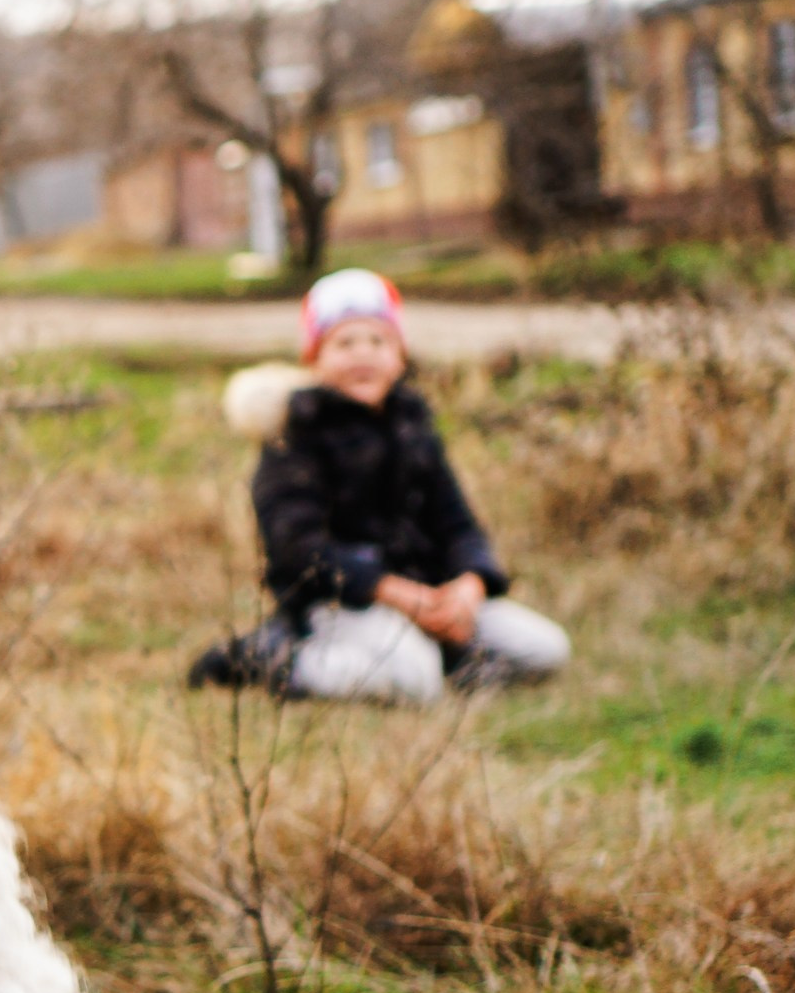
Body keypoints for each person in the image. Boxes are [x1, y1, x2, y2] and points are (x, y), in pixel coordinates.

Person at [190, 269, 570, 703]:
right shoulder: (293, 438)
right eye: (345, 343)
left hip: (430, 593)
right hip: (342, 603)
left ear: (399, 355)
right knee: (415, 682)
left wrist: (468, 588)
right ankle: (277, 659)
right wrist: (398, 595)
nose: (363, 356)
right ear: (314, 357)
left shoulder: (414, 427)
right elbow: (298, 548)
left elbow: (457, 522)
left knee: (547, 649)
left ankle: (442, 655)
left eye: (377, 341)